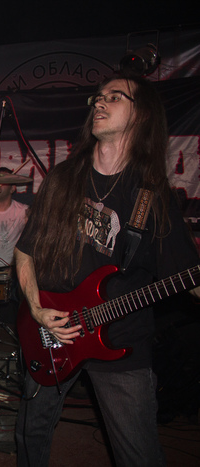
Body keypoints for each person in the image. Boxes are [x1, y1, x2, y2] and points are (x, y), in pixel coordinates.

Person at [14, 74, 200, 466]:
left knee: (138, 455)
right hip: (50, 330)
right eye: (98, 97)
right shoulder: (64, 178)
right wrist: (36, 309)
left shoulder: (152, 195)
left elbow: (188, 273)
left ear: (141, 114)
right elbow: (25, 251)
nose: (100, 102)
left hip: (121, 342)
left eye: (115, 97)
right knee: (30, 434)